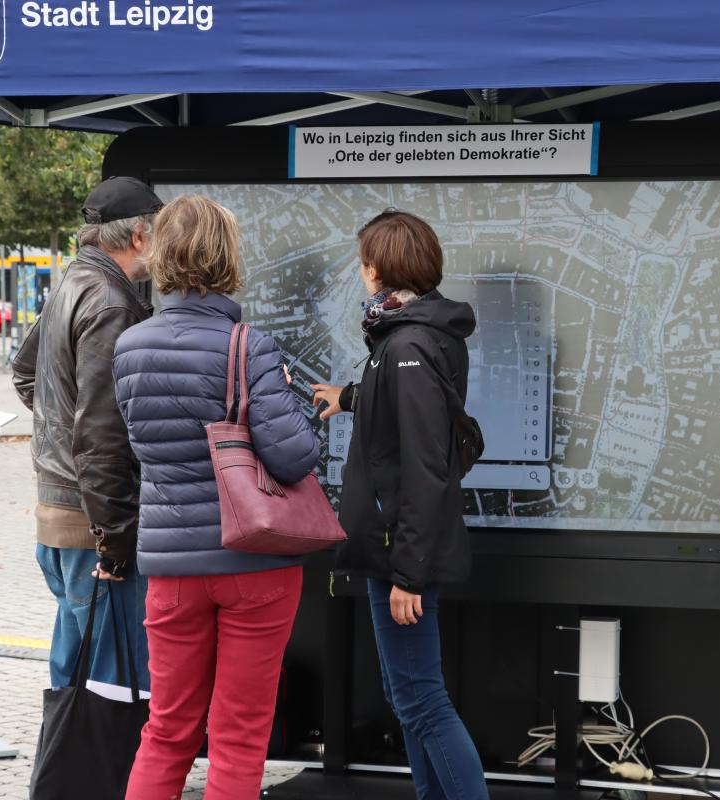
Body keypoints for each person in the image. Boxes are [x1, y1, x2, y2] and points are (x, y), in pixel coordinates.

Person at [113, 195, 320, 800]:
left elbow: (137, 449)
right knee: (239, 733)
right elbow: (293, 456)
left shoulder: (129, 348)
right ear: (226, 256)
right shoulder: (249, 346)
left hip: (171, 568)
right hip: (254, 560)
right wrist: (285, 395)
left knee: (167, 730)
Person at [312, 209, 489, 800]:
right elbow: (409, 411)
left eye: (365, 260)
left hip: (402, 557)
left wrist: (408, 574)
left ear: (380, 269)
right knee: (410, 698)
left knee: (421, 700)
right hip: (397, 552)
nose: (360, 270)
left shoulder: (408, 342)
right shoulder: (413, 335)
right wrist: (351, 397)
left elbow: (423, 466)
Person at [11, 176, 163, 693]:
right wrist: (116, 540)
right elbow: (101, 433)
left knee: (72, 666)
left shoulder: (72, 281)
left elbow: (25, 372)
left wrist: (61, 432)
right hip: (90, 518)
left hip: (59, 512)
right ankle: (106, 776)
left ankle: (66, 771)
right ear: (140, 235)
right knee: (109, 678)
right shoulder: (112, 302)